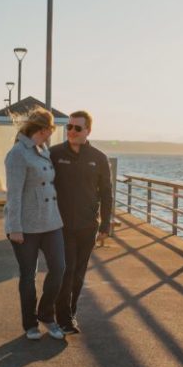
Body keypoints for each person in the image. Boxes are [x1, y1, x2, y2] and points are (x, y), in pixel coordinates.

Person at [3, 107, 67, 340]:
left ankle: (46, 315)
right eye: (51, 129)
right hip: (26, 226)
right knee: (28, 276)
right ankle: (30, 324)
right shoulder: (18, 154)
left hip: (51, 221)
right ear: (44, 129)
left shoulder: (43, 150)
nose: (52, 133)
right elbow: (14, 195)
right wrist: (15, 228)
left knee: (59, 268)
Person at [50, 109, 113, 334]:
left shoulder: (98, 158)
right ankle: (64, 318)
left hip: (87, 226)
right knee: (66, 271)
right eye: (69, 127)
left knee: (78, 273)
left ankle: (70, 313)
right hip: (60, 225)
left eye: (77, 128)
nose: (72, 132)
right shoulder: (54, 154)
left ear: (88, 130)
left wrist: (106, 225)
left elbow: (106, 192)